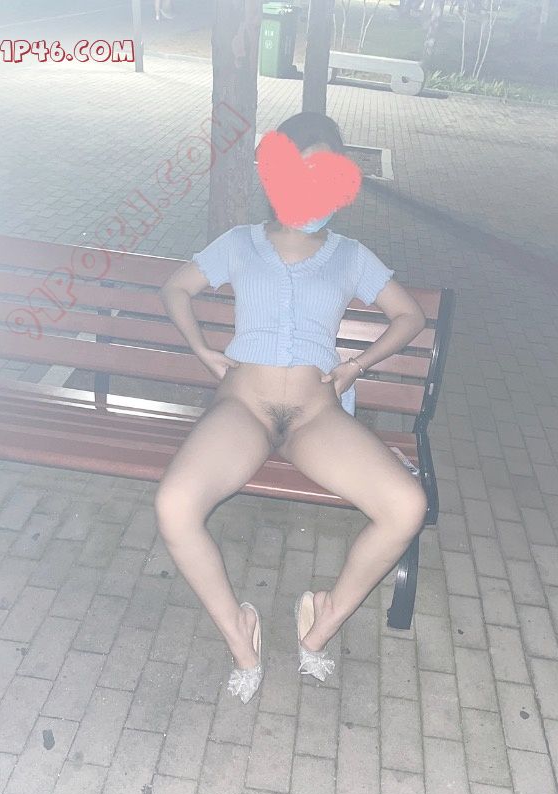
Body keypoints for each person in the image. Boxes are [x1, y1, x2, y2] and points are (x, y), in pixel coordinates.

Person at [155, 111, 427, 704]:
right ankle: (241, 637)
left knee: (406, 506)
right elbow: (176, 288)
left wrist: (358, 365)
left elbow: (410, 315)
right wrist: (202, 350)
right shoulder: (240, 243)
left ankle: (321, 624)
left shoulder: (350, 255)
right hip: (244, 409)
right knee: (174, 506)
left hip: (314, 416)